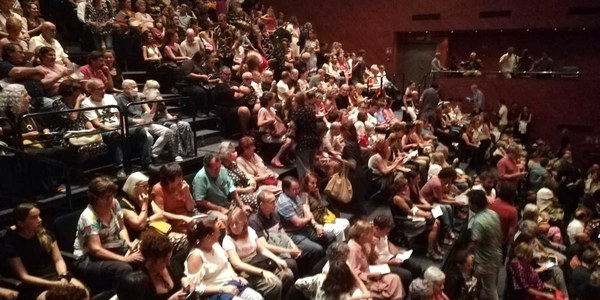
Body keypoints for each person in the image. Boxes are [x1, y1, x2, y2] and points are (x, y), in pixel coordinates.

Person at [72, 177, 143, 294]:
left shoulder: (114, 204)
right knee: (124, 268)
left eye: (112, 195)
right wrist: (124, 259)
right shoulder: (88, 217)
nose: (111, 199)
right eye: (107, 197)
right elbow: (96, 250)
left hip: (112, 246)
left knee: (144, 252)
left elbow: (122, 228)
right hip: (87, 258)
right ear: (96, 198)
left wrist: (129, 244)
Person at [4, 203, 86, 300]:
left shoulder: (45, 234)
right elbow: (24, 276)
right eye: (33, 217)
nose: (39, 220)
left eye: (39, 216)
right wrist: (53, 284)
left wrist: (63, 276)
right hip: (34, 285)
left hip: (56, 277)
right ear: (21, 223)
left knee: (83, 293)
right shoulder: (11, 243)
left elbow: (58, 259)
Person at [81, 78, 151, 176]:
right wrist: (116, 130)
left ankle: (146, 163)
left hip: (118, 127)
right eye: (99, 89)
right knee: (114, 135)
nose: (103, 90)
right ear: (91, 90)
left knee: (140, 130)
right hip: (103, 130)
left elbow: (119, 116)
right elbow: (97, 124)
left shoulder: (109, 97)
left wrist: (123, 127)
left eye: (104, 88)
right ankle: (119, 167)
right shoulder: (86, 103)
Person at [184, 215, 264, 300]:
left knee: (257, 297)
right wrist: (222, 289)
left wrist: (235, 277)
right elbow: (195, 288)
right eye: (217, 231)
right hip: (214, 293)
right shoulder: (196, 256)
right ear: (208, 237)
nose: (219, 233)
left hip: (231, 284)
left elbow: (226, 264)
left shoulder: (215, 245)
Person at [223, 208, 295, 300]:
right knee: (275, 284)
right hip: (246, 270)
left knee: (288, 274)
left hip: (258, 261)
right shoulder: (228, 239)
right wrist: (262, 272)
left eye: (237, 224)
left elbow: (262, 250)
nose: (234, 227)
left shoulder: (249, 231)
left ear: (244, 223)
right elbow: (237, 264)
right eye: (231, 224)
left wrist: (277, 259)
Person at [276, 176, 336, 275]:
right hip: (294, 234)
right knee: (317, 249)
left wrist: (315, 225)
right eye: (293, 189)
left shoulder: (295, 196)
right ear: (286, 189)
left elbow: (306, 210)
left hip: (305, 229)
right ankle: (313, 273)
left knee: (330, 237)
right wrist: (308, 218)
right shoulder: (284, 202)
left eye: (297, 188)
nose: (296, 191)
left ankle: (329, 265)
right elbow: (298, 222)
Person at [120, 171, 189, 252]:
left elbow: (161, 214)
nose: (148, 188)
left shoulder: (146, 198)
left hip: (156, 233)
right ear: (134, 187)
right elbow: (140, 225)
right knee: (182, 242)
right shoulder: (124, 205)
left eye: (147, 185)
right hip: (141, 240)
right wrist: (144, 204)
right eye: (144, 186)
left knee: (188, 239)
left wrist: (182, 217)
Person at [115, 79, 176, 162]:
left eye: (136, 86)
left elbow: (149, 111)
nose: (136, 88)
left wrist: (154, 104)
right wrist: (135, 120)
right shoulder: (118, 99)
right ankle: (146, 160)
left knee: (168, 132)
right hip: (132, 125)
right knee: (149, 137)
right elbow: (119, 116)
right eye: (133, 87)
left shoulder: (138, 96)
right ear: (125, 88)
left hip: (144, 122)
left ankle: (153, 154)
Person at [347, 220, 405, 299]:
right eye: (370, 233)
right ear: (362, 236)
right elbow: (354, 273)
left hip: (371, 271)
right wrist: (370, 275)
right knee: (391, 283)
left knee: (395, 278)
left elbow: (371, 258)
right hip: (363, 281)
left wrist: (372, 246)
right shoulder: (353, 249)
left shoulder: (365, 242)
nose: (372, 235)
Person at [391, 173, 442, 260]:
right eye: (405, 185)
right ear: (401, 186)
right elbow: (410, 211)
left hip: (413, 216)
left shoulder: (404, 193)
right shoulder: (397, 198)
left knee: (437, 221)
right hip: (406, 220)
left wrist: (424, 211)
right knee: (435, 225)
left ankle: (434, 245)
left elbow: (413, 206)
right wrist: (425, 214)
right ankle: (430, 251)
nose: (407, 186)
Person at [294, 242, 370, 299]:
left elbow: (298, 283)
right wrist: (364, 295)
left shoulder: (320, 278)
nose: (347, 256)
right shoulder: (341, 293)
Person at [466, 190, 502, 300]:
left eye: (470, 202)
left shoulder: (478, 222)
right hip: (496, 254)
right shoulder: (493, 213)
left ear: (474, 204)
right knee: (477, 282)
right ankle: (474, 296)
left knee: (490, 290)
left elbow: (474, 244)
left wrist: (464, 253)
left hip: (485, 261)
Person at [193, 153, 253, 220]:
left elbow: (232, 188)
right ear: (206, 168)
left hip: (227, 203)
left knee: (248, 210)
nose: (218, 170)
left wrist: (241, 205)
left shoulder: (222, 170)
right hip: (209, 210)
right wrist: (219, 208)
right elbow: (199, 201)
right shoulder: (200, 177)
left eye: (219, 167)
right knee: (229, 220)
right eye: (215, 168)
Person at [372, 215, 422, 292]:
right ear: (377, 228)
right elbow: (373, 261)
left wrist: (397, 251)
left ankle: (416, 289)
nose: (387, 234)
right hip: (382, 265)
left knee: (417, 267)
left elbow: (387, 242)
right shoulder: (369, 240)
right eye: (386, 232)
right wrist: (390, 262)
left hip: (391, 258)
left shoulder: (382, 233)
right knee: (407, 275)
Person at [300, 172, 350, 242]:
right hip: (318, 223)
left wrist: (318, 196)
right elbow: (307, 212)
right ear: (306, 183)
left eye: (316, 183)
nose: (315, 185)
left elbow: (322, 206)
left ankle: (345, 244)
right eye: (312, 183)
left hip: (324, 218)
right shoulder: (304, 195)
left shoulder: (313, 193)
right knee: (339, 230)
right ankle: (339, 250)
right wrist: (315, 225)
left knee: (346, 223)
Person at [151, 163, 199, 235]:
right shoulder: (158, 189)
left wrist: (186, 192)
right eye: (178, 178)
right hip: (173, 222)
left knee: (208, 227)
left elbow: (191, 208)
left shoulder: (182, 184)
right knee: (192, 233)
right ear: (169, 180)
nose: (181, 180)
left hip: (189, 216)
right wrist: (182, 218)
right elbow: (161, 215)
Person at [218, 141, 261, 212]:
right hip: (235, 197)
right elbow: (229, 189)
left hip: (247, 189)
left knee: (265, 195)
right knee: (258, 199)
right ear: (227, 154)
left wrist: (251, 179)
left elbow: (244, 174)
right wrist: (246, 190)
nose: (235, 153)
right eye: (233, 151)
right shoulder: (221, 170)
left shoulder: (233, 164)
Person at [292, 92, 320, 178]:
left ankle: (306, 188)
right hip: (314, 139)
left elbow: (293, 126)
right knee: (311, 166)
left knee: (304, 168)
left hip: (303, 141)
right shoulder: (311, 110)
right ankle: (314, 187)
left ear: (296, 101)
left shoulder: (297, 112)